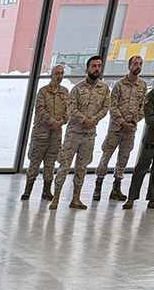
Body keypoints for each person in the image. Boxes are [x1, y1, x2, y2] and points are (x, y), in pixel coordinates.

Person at [51, 56, 110, 210]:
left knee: (82, 167)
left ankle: (76, 198)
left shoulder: (104, 89)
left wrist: (94, 120)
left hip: (89, 135)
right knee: (64, 165)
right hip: (74, 133)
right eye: (94, 66)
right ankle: (56, 198)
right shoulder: (77, 88)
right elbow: (71, 108)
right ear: (87, 69)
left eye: (99, 66)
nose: (97, 69)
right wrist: (83, 119)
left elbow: (105, 107)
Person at [94, 54, 148, 201]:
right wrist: (122, 123)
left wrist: (132, 123)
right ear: (129, 66)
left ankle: (116, 188)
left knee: (123, 158)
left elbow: (143, 107)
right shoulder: (119, 85)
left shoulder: (142, 86)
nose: (138, 66)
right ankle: (98, 186)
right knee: (106, 157)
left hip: (130, 130)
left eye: (140, 64)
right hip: (116, 129)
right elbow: (113, 106)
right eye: (135, 64)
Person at [23, 64, 68, 201]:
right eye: (57, 73)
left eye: (61, 73)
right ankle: (28, 190)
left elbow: (69, 111)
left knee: (50, 164)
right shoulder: (43, 92)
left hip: (55, 136)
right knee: (34, 163)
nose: (59, 76)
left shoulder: (65, 92)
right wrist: (52, 122)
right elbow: (40, 110)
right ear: (51, 75)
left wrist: (62, 121)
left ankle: (46, 191)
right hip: (40, 135)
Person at [123, 77, 154, 208]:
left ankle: (153, 198)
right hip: (151, 137)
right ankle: (131, 197)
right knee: (142, 167)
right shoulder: (153, 94)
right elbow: (149, 117)